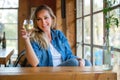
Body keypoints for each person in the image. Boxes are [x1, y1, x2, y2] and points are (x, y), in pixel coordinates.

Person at [21, 4, 91, 67]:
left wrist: (79, 59)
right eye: (39, 19)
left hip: (63, 69)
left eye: (46, 18)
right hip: (47, 72)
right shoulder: (34, 38)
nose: (43, 22)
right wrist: (26, 40)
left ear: (52, 18)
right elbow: (34, 63)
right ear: (36, 22)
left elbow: (69, 55)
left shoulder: (59, 34)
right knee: (74, 63)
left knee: (87, 63)